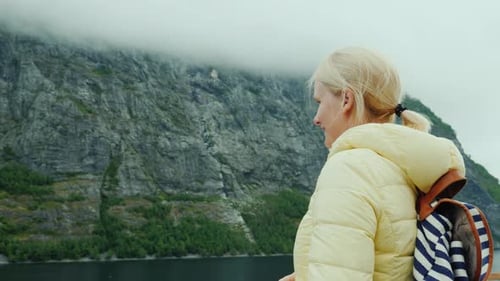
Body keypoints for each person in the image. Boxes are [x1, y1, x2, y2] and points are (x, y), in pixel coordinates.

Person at [279, 47, 465, 281]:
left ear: (346, 99)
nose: (316, 118)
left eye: (320, 101)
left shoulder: (349, 170)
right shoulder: (400, 169)